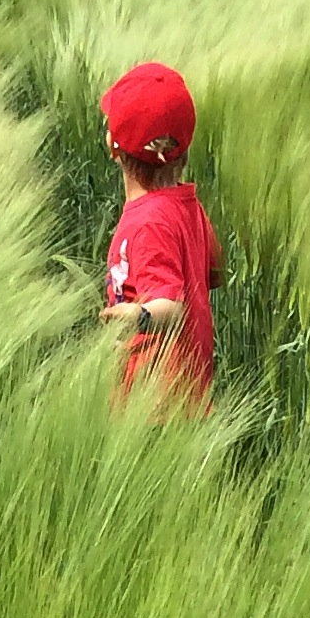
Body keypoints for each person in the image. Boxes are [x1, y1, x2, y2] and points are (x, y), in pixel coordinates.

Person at [99, 61, 223, 406]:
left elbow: (173, 305)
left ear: (113, 145)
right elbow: (215, 271)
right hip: (188, 387)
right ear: (182, 149)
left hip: (154, 399)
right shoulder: (187, 204)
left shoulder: (147, 222)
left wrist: (138, 316)